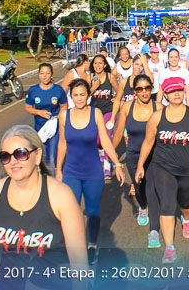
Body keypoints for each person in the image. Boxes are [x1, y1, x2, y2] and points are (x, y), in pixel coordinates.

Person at [0, 125, 87, 280]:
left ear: (37, 155)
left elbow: (79, 262)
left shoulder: (61, 196)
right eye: (6, 156)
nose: (13, 162)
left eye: (21, 154)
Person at [134, 78, 189, 263]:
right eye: (172, 91)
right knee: (166, 203)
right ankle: (169, 247)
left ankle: (186, 219)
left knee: (186, 202)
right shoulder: (157, 117)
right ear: (165, 94)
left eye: (180, 90)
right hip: (162, 166)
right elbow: (148, 142)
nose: (177, 94)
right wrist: (140, 165)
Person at [56, 79, 125, 264]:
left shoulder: (96, 114)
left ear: (89, 96)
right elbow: (62, 143)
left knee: (93, 210)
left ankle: (92, 245)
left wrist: (117, 164)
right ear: (71, 96)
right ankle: (74, 247)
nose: (79, 99)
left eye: (82, 95)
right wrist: (58, 170)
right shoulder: (64, 116)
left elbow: (105, 141)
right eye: (75, 95)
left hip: (93, 172)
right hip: (71, 171)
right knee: (71, 211)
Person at [111, 74, 158, 236]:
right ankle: (143, 207)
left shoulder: (158, 107)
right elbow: (118, 132)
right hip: (133, 155)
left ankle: (156, 222)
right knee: (139, 188)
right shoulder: (126, 107)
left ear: (152, 88)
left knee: (154, 187)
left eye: (147, 88)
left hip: (155, 156)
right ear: (134, 91)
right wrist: (108, 155)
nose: (144, 92)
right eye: (140, 88)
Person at [23, 63, 69, 166]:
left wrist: (60, 116)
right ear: (38, 75)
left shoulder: (58, 90)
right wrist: (39, 112)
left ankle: (52, 179)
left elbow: (64, 105)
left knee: (51, 158)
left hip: (54, 128)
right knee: (39, 158)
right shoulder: (33, 90)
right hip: (39, 128)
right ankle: (41, 179)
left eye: (47, 73)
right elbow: (28, 108)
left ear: (51, 75)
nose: (45, 76)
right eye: (42, 73)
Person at [88, 54, 121, 180]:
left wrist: (116, 100)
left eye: (100, 63)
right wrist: (94, 87)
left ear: (105, 65)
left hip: (108, 111)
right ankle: (102, 154)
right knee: (97, 140)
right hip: (94, 112)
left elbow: (119, 92)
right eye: (95, 63)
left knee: (106, 136)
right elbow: (84, 96)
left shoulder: (110, 77)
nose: (98, 66)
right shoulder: (90, 77)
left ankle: (107, 164)